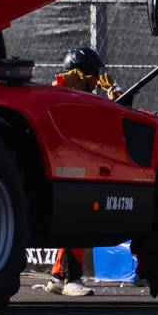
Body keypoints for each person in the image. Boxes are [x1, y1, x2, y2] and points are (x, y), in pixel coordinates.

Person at [44, 46, 123, 297]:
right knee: (75, 219)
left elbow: (122, 112)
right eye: (91, 76)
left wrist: (114, 91)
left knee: (77, 218)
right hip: (63, 165)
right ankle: (71, 278)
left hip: (79, 163)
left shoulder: (89, 99)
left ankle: (57, 276)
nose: (94, 81)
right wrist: (62, 83)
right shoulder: (58, 94)